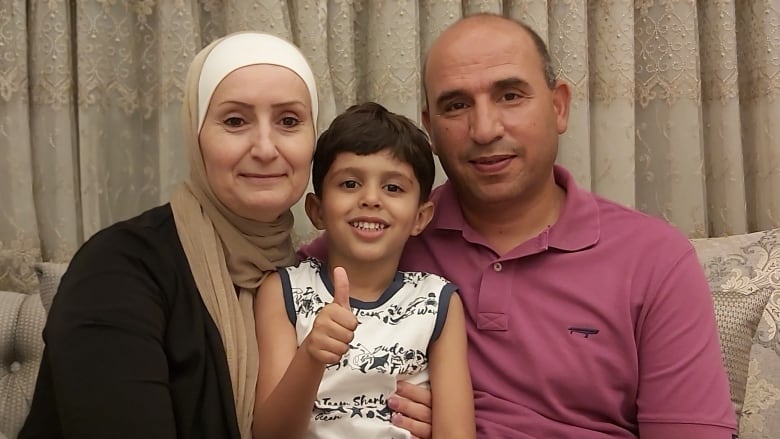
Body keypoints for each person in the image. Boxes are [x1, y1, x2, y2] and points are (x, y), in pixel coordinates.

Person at [301, 14, 738, 439]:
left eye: (510, 96)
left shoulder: (655, 259)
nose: (485, 129)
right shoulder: (386, 232)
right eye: (456, 105)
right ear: (430, 129)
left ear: (558, 106)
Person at [19, 32, 427, 439]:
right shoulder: (119, 268)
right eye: (235, 121)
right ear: (196, 137)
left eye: (288, 121)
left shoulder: (305, 278)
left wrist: (394, 410)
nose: (266, 148)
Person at [253, 102, 476, 438]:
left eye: (393, 188)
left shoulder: (438, 302)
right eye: (350, 184)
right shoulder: (283, 291)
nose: (371, 199)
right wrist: (312, 355)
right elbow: (269, 434)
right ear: (317, 210)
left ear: (420, 217)